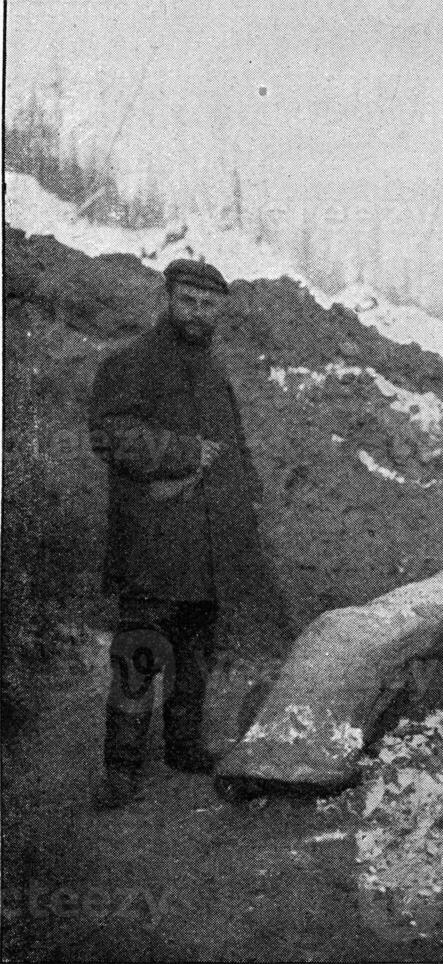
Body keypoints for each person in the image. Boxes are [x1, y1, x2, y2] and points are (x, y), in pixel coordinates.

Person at [89, 258, 269, 808]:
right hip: (153, 542)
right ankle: (120, 767)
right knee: (139, 650)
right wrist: (184, 452)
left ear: (220, 310)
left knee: (193, 654)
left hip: (207, 548)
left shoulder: (214, 374)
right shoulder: (132, 362)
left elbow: (231, 451)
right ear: (168, 299)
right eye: (188, 300)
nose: (197, 312)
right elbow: (111, 434)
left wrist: (245, 504)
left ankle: (183, 747)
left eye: (208, 303)